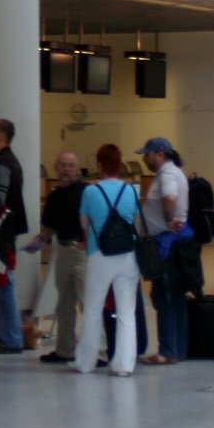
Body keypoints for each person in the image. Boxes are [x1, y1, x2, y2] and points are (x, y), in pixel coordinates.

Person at [76, 143, 142, 377]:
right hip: (127, 256)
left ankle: (86, 362)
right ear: (120, 164)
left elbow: (84, 224)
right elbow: (135, 221)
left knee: (93, 310)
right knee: (126, 312)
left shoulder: (91, 192)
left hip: (99, 255)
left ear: (100, 165)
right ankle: (124, 365)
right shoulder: (131, 191)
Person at [27, 150, 88, 365]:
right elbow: (49, 227)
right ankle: (65, 350)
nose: (67, 169)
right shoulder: (54, 196)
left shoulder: (87, 191)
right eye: (62, 165)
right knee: (64, 303)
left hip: (82, 253)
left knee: (87, 303)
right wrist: (38, 240)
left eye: (71, 165)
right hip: (62, 252)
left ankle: (97, 351)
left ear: (77, 168)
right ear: (56, 168)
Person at [135, 136, 192, 364]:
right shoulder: (175, 172)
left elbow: (170, 197)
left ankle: (167, 350)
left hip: (167, 245)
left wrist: (169, 220)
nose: (145, 159)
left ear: (160, 153)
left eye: (147, 154)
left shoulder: (167, 175)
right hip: (174, 242)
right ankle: (178, 348)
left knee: (165, 296)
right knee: (175, 297)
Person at [0, 119, 31, 352]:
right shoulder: (9, 161)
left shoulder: (2, 164)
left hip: (0, 234)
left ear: (1, 135)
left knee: (4, 285)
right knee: (4, 284)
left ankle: (11, 338)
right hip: (7, 231)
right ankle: (8, 336)